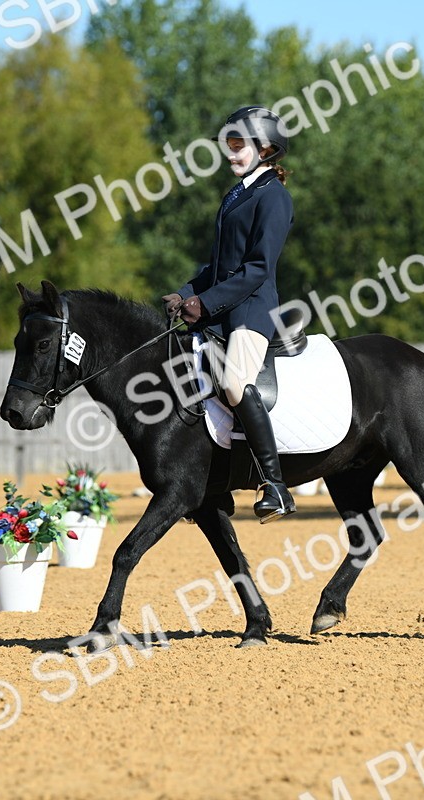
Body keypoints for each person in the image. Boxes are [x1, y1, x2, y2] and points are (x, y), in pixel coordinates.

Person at [162, 106, 296, 522]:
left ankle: (275, 485)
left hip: (252, 310)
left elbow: (257, 268)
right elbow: (218, 266)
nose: (231, 153)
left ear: (265, 149)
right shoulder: (237, 193)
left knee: (234, 383)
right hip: (222, 309)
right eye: (229, 145)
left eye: (239, 145)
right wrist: (186, 293)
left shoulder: (274, 196)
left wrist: (206, 303)